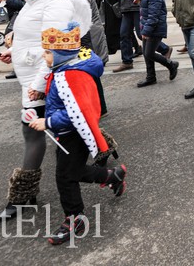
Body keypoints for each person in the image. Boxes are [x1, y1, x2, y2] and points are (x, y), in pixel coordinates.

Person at [28, 22, 126, 246]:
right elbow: (66, 102)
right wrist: (42, 96)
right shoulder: (66, 69)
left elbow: (78, 113)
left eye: (47, 52)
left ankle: (75, 218)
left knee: (65, 176)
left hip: (73, 133)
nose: (44, 57)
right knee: (72, 172)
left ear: (61, 53)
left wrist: (48, 121)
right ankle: (111, 176)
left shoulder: (70, 75)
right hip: (69, 132)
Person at [0, 0, 75, 221]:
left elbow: (57, 48)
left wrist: (40, 84)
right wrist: (13, 52)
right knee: (68, 127)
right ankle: (105, 154)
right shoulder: (34, 1)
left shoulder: (55, 3)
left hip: (45, 81)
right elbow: (31, 39)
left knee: (34, 132)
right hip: (31, 79)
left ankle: (22, 194)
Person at [135, 0, 179, 87]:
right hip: (148, 27)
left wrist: (146, 31)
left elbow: (153, 17)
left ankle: (171, 64)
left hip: (154, 29)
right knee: (146, 53)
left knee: (149, 54)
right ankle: (151, 77)